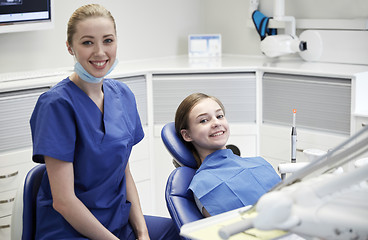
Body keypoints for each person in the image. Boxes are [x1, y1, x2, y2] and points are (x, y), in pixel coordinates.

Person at [30, 4, 179, 240]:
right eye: (87, 42)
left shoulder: (123, 95)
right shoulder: (56, 105)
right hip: (70, 229)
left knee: (180, 232)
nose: (100, 52)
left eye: (108, 41)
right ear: (70, 47)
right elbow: (64, 202)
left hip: (117, 221)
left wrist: (142, 233)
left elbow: (124, 173)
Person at [175, 93, 281, 217]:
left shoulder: (259, 163)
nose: (216, 123)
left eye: (219, 116)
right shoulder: (204, 186)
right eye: (204, 120)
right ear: (187, 135)